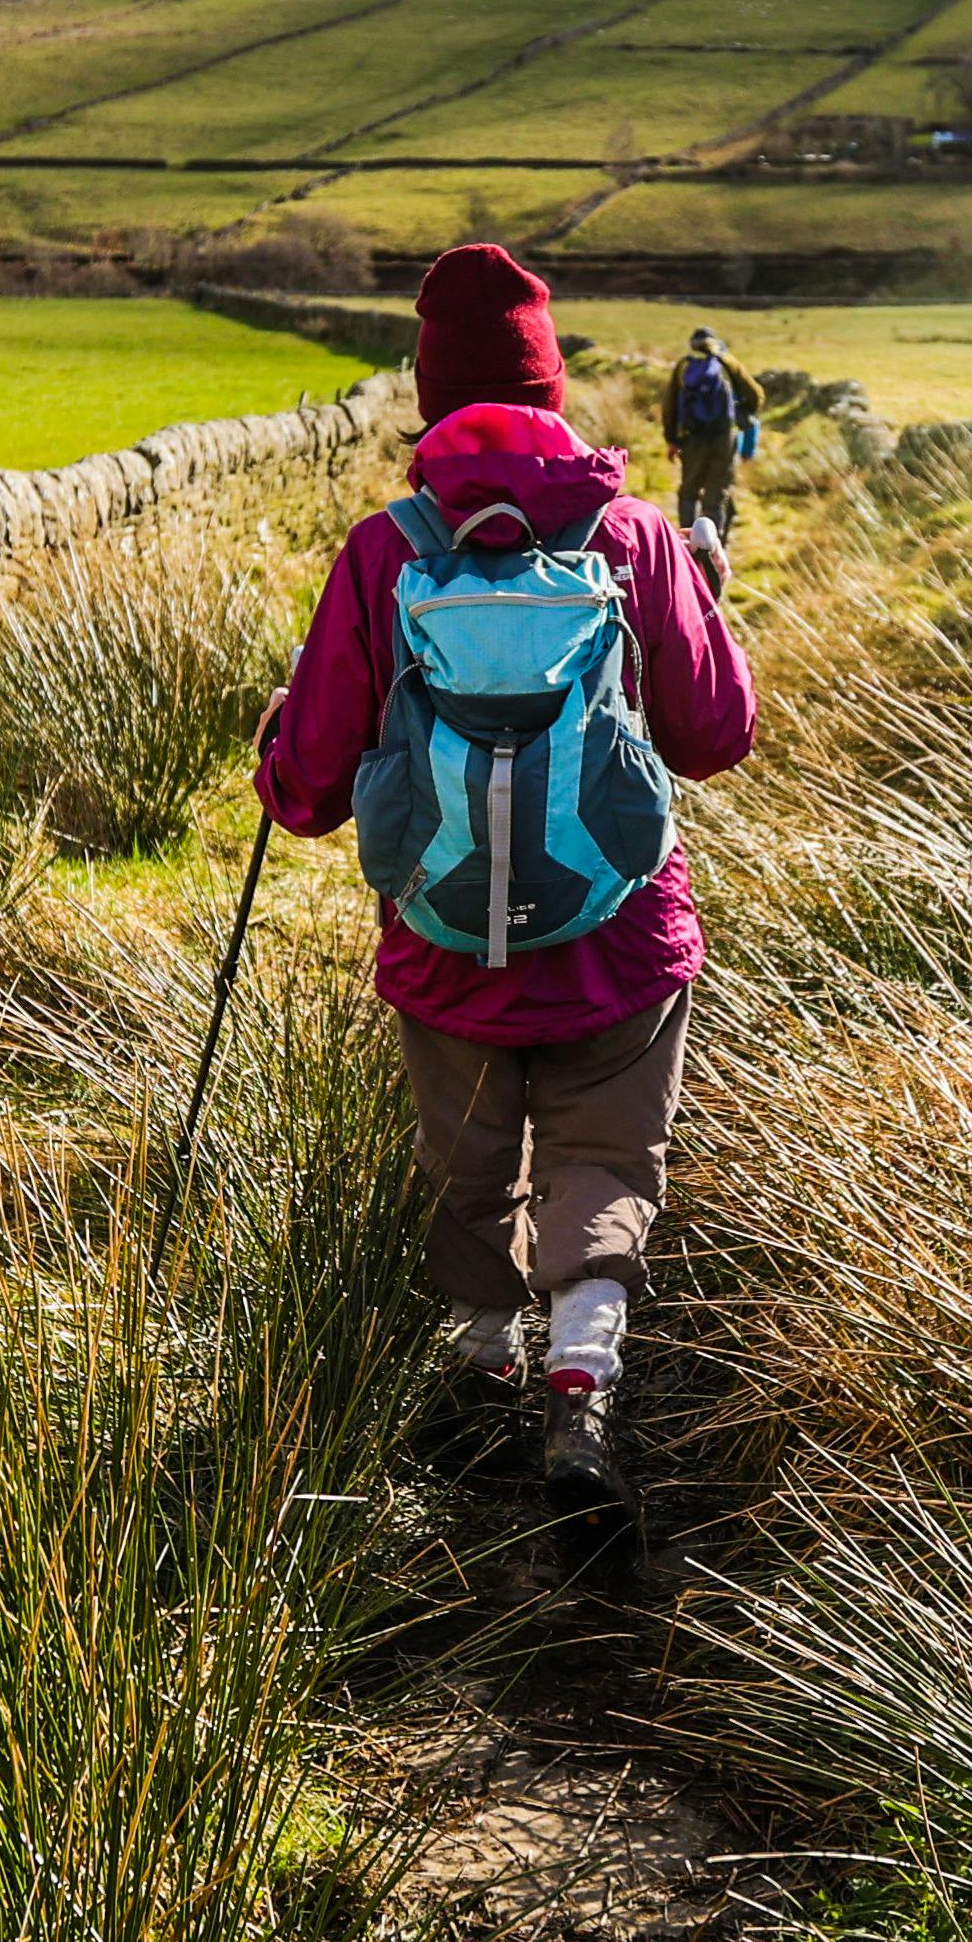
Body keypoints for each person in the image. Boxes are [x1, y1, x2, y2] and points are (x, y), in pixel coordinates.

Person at [255, 244, 757, 1506]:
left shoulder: (386, 551)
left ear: (432, 393)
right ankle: (582, 1381)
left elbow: (310, 791)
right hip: (621, 940)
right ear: (551, 384)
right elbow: (717, 735)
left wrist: (277, 753)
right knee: (606, 1158)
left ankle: (480, 1370)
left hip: (441, 938)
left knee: (468, 1161)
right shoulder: (631, 535)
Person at [662, 325, 762, 575]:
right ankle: (715, 549)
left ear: (692, 344)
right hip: (722, 438)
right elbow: (756, 395)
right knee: (716, 493)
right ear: (714, 342)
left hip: (692, 439)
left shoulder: (683, 366)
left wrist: (672, 439)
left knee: (689, 491)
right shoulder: (728, 363)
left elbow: (670, 406)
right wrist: (740, 414)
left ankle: (687, 546)